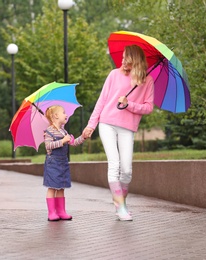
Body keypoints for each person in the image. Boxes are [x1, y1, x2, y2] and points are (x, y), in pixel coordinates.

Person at [82, 45, 154, 221]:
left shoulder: (147, 81)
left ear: (135, 61)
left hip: (128, 127)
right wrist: (91, 124)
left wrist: (129, 104)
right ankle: (120, 207)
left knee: (127, 170)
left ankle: (122, 202)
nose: (122, 62)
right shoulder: (114, 74)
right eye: (122, 59)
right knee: (114, 165)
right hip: (107, 123)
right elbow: (102, 101)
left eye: (126, 60)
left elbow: (149, 108)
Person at [43, 105, 85, 221]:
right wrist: (62, 141)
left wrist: (83, 137)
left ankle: (61, 211)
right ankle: (52, 212)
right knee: (52, 187)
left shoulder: (63, 131)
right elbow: (48, 146)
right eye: (63, 112)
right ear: (56, 116)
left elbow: (73, 142)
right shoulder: (49, 131)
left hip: (63, 163)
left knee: (61, 187)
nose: (66, 115)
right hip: (53, 163)